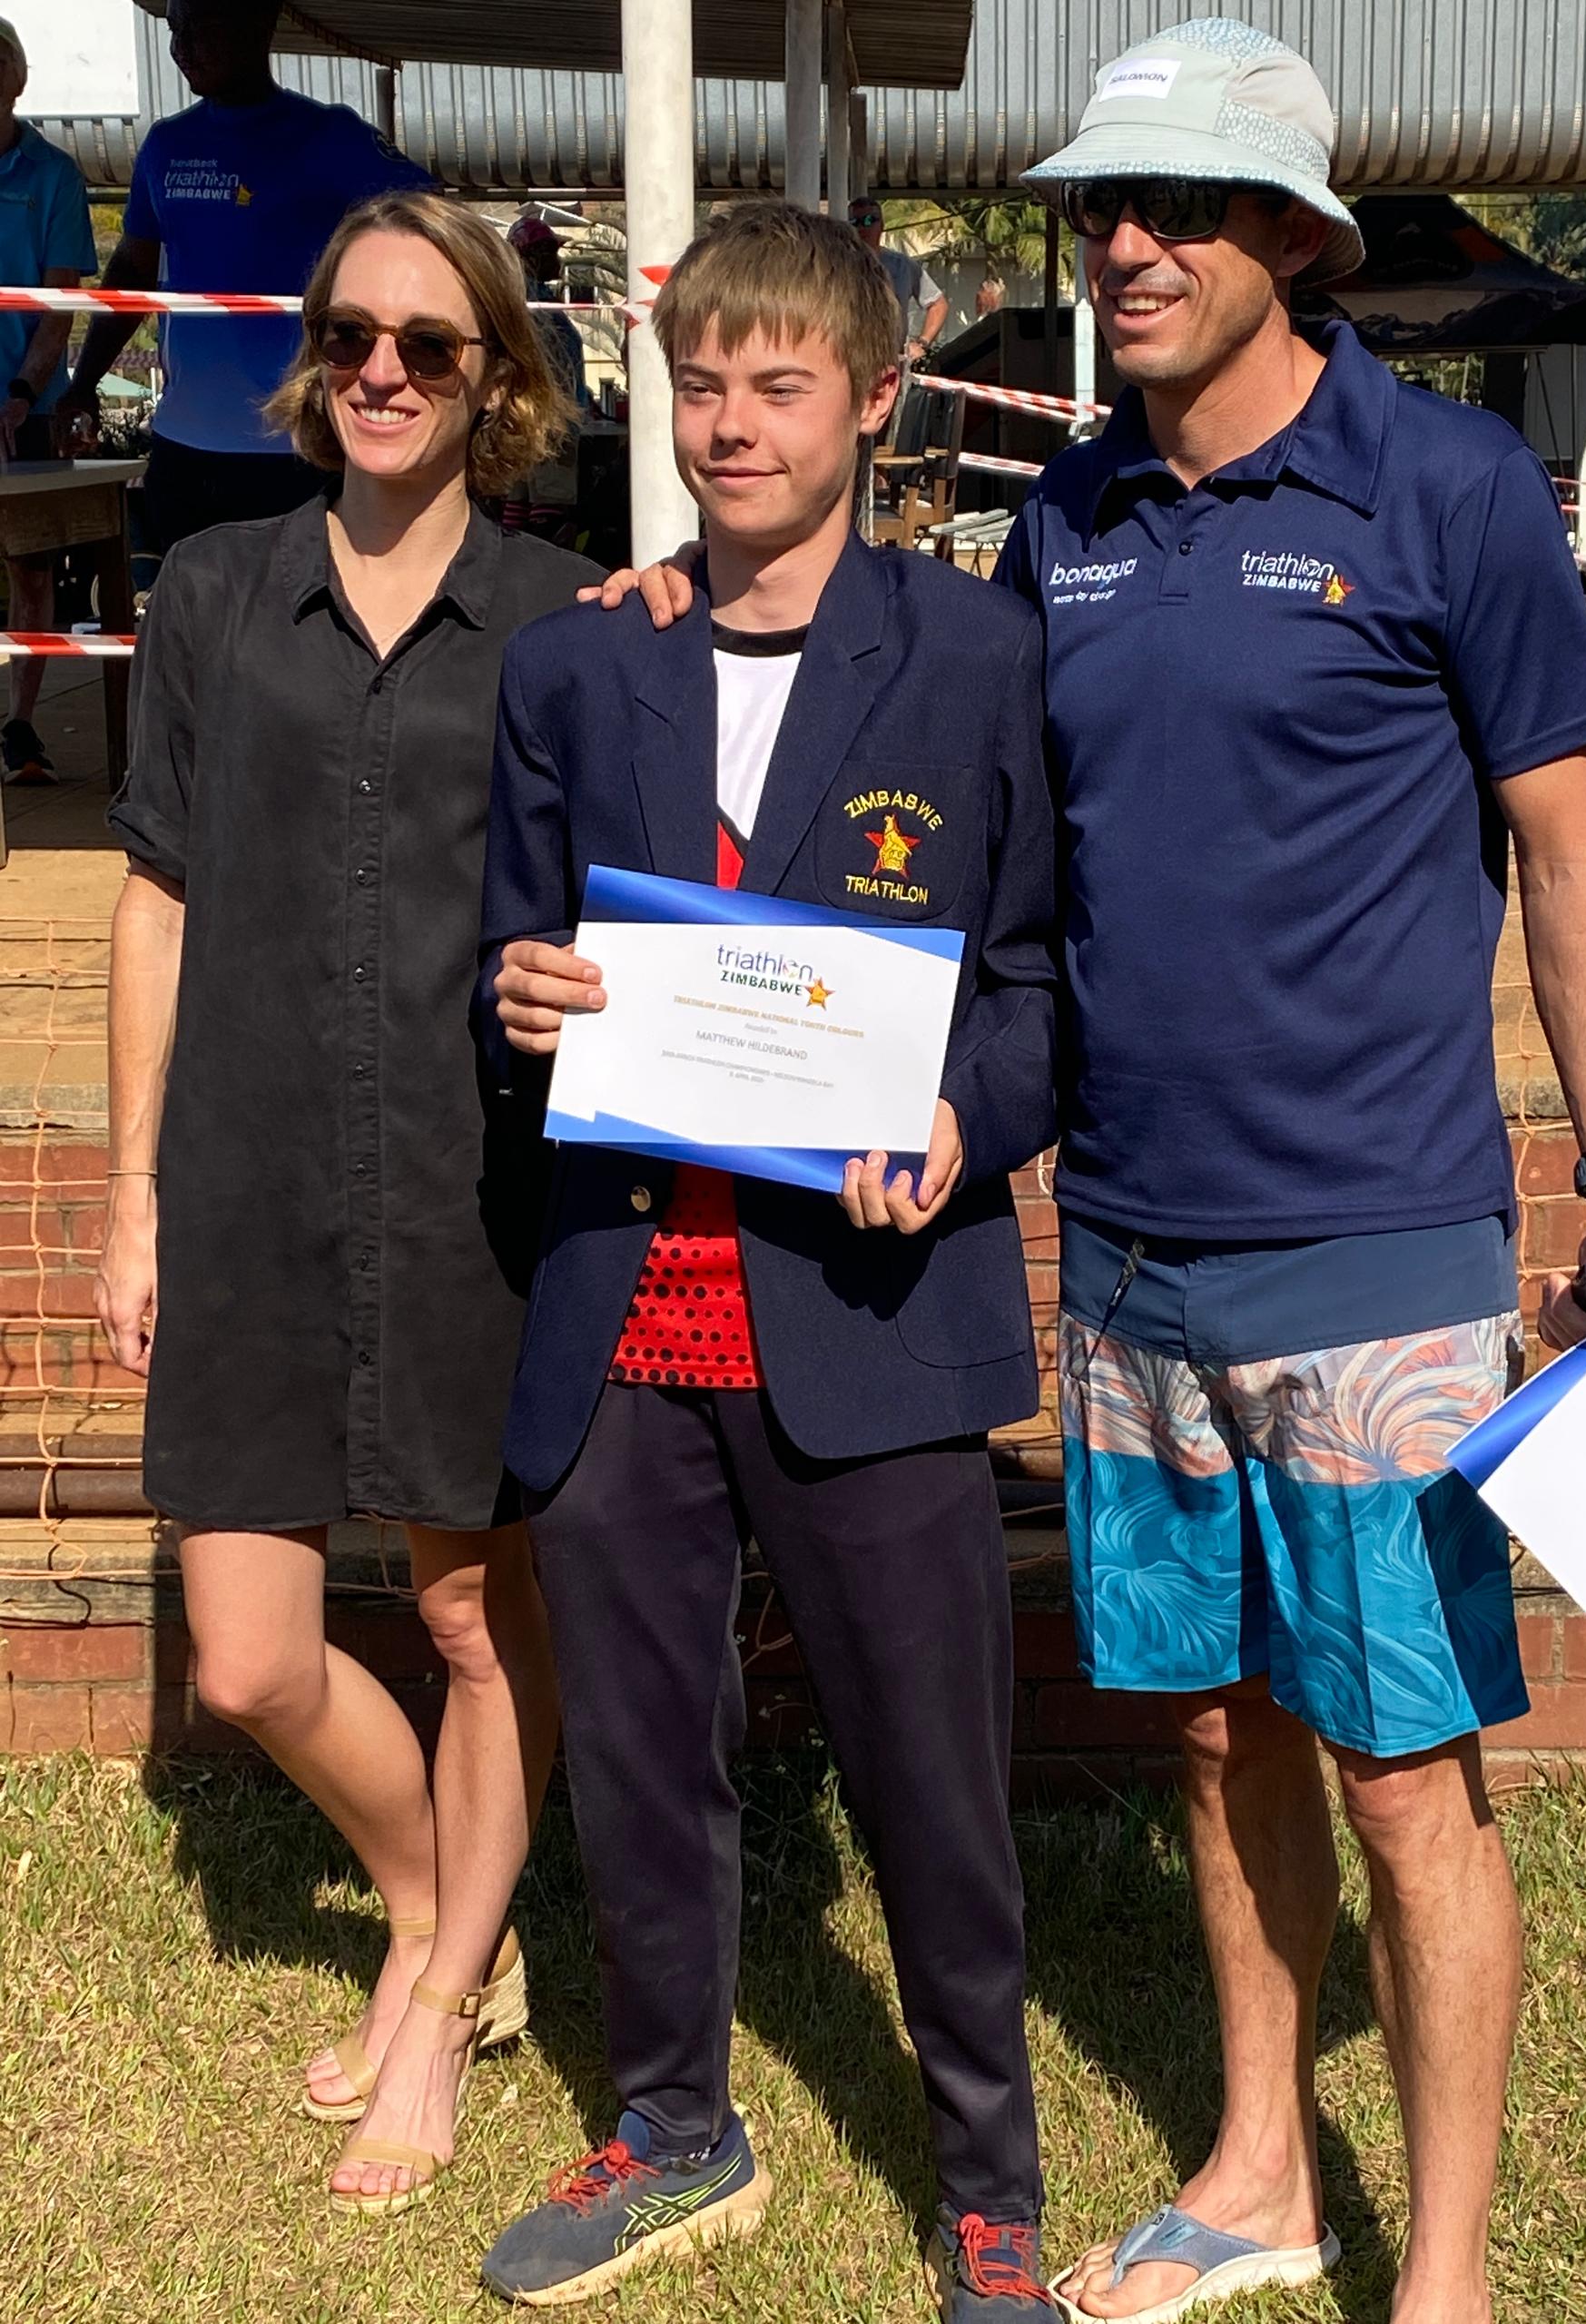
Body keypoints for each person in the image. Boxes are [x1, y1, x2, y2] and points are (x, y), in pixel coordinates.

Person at [599, 21, 1586, 2322]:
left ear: (1295, 237)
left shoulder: (1449, 489)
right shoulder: (1064, 520)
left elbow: (1572, 863)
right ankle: (1265, 2168)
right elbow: (893, 701)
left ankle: (1448, 2268)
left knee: (1404, 1771)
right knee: (1205, 1734)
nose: (1126, 247)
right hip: (1126, 1247)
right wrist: (691, 591)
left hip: (1376, 1248)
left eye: (1178, 209)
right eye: (1103, 208)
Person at [473, 201, 1058, 2319]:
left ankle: (986, 2177)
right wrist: (518, 999)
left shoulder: (977, 655)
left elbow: (1038, 981)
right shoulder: (580, 661)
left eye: (778, 385)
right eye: (699, 383)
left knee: (929, 1767)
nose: (730, 424)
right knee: (642, 1756)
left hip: (867, 1307)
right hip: (624, 1301)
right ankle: (672, 2123)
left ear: (876, 400)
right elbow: (512, 948)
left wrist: (964, 1114)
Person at [98, 190, 600, 2211]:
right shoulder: (215, 593)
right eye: (353, 337)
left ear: (496, 382)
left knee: (475, 1613)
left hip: (478, 1178)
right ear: (316, 362)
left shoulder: (572, 615)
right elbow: (155, 894)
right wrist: (130, 1197)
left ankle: (449, 1983)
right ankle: (428, 1905)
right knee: (246, 1656)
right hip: (249, 1176)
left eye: (430, 344)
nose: (384, 371)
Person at [60, 0, 429, 554]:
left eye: (201, 26)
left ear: (261, 23)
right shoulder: (166, 145)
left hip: (298, 451)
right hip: (183, 448)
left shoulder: (329, 135)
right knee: (186, 604)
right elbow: (133, 270)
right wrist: (84, 382)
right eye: (174, 29)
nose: (182, 47)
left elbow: (433, 223)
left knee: (304, 607)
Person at [0, 15, 97, 784]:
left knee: (33, 572)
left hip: (25, 410)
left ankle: (20, 727)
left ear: (19, 80)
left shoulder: (55, 174)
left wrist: (22, 394)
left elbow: (59, 307)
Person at [501, 215, 587, 546]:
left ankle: (515, 557)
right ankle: (544, 562)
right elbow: (555, 363)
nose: (558, 260)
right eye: (550, 252)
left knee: (520, 496)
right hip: (552, 416)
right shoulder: (535, 307)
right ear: (532, 257)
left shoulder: (522, 299)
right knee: (550, 505)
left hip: (526, 413)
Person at [852, 195, 948, 362]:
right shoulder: (836, 266)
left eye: (869, 220)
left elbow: (938, 304)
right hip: (849, 360)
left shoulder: (902, 266)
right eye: (855, 222)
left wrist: (922, 343)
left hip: (892, 361)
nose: (862, 228)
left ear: (881, 226)